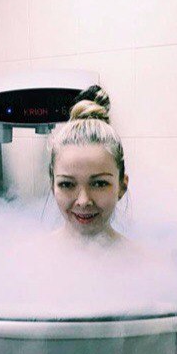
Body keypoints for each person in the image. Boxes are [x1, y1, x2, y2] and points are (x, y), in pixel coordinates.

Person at [47, 85, 130, 247]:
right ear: (52, 185)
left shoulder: (143, 260)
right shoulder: (29, 257)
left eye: (99, 184)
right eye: (67, 184)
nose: (83, 201)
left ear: (122, 186)